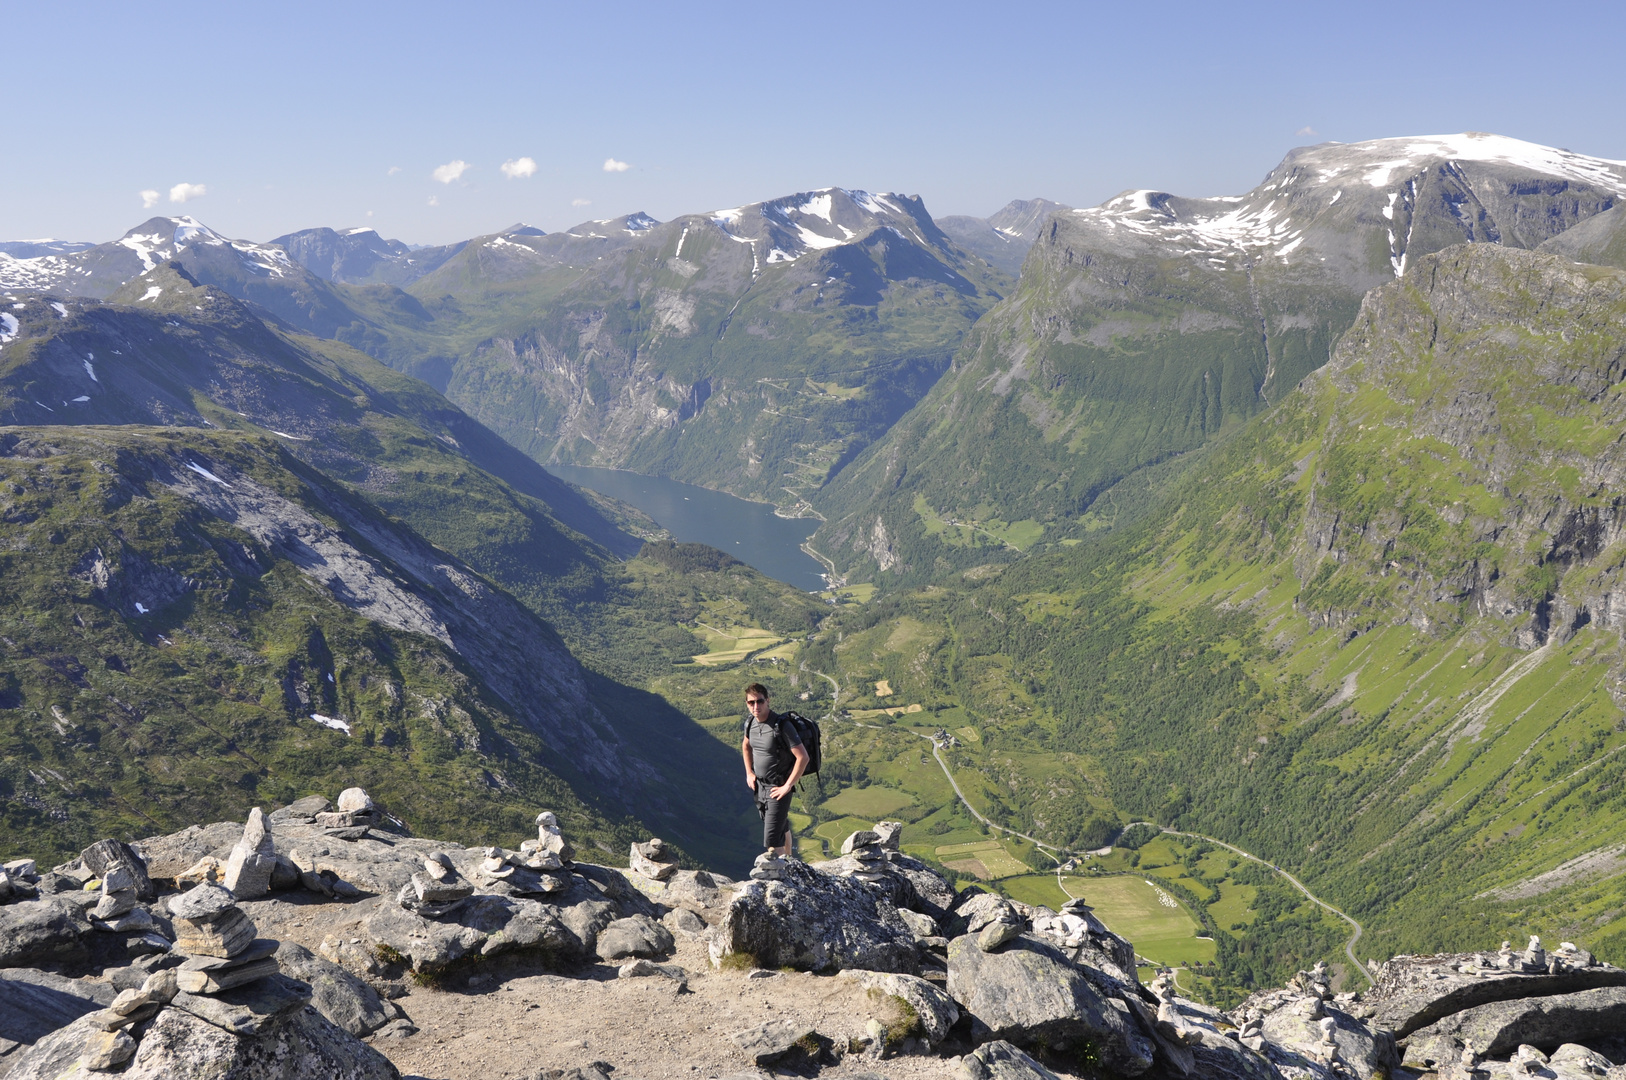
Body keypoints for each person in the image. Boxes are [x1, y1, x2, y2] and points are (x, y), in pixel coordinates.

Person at [741, 682, 809, 861]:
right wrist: (749, 772)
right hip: (760, 787)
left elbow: (803, 757)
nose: (756, 706)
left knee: (772, 841)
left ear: (768, 701)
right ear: (747, 703)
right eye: (751, 702)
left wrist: (787, 786)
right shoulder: (750, 723)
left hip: (777, 788)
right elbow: (746, 746)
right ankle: (791, 865)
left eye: (760, 701)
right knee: (782, 827)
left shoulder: (782, 726)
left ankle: (779, 880)